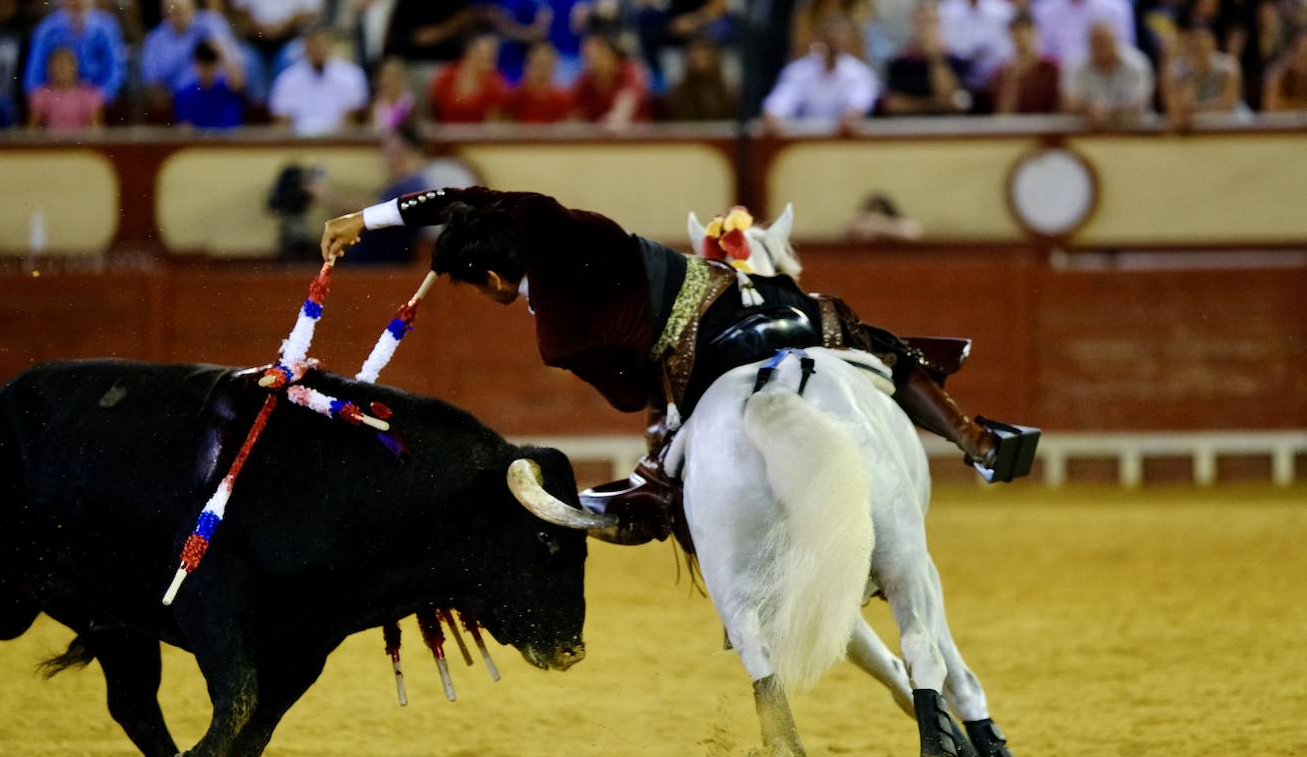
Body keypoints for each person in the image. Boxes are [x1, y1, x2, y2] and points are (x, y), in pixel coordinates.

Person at [317, 188, 1040, 542]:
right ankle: (977, 438)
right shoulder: (532, 212)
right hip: (736, 291)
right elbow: (453, 198)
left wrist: (663, 422)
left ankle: (667, 510)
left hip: (700, 357)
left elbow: (631, 390)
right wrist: (365, 219)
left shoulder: (557, 336)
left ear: (496, 280)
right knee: (854, 335)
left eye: (481, 289)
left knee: (670, 469)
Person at [23, 0, 127, 103]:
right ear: (62, 2)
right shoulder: (47, 29)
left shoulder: (107, 27)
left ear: (90, 1)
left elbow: (116, 69)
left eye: (80, 0)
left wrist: (99, 98)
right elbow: (34, 73)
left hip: (97, 99)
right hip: (55, 99)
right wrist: (41, 99)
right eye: (71, 0)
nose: (76, 5)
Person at [761, 15, 879, 127]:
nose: (834, 38)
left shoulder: (861, 74)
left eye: (840, 34)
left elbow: (857, 105)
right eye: (830, 33)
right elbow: (779, 103)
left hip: (841, 139)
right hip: (805, 138)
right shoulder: (798, 71)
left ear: (850, 40)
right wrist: (773, 115)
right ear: (820, 37)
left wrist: (851, 116)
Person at [140, 0, 238, 110]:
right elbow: (151, 84)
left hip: (217, 102)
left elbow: (237, 78)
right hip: (177, 107)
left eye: (178, 9)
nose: (172, 15)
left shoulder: (213, 25)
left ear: (192, 6)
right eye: (168, 9)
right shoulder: (155, 39)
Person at [345, 125, 433, 265]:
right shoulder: (399, 185)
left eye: (391, 150)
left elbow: (373, 212)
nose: (385, 157)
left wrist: (329, 197)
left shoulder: (412, 187)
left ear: (403, 152)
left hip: (381, 266)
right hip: (368, 262)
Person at [938, 0, 1017, 92]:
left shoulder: (1005, 12)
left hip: (994, 82)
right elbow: (944, 49)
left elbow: (1008, 51)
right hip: (956, 79)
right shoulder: (945, 10)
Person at [268, 26, 369, 135]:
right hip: (298, 141)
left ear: (330, 45)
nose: (318, 49)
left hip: (339, 140)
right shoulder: (286, 79)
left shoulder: (351, 76)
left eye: (322, 44)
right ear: (305, 46)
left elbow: (352, 121)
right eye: (313, 44)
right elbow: (282, 123)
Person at [880, 1, 973, 115]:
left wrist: (935, 57)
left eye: (930, 21)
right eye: (921, 22)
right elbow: (894, 104)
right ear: (913, 24)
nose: (926, 28)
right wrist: (936, 104)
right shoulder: (899, 63)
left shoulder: (957, 61)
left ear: (939, 24)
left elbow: (954, 99)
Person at [1062, 20, 1154, 129]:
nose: (1101, 48)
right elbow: (1069, 102)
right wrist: (1090, 108)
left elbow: (1141, 102)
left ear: (1116, 42)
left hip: (1132, 128)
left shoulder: (1137, 63)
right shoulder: (1075, 64)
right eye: (1096, 44)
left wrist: (1109, 111)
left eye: (1105, 43)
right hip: (1086, 128)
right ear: (1089, 44)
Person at [1160, 22, 1242, 127]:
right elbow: (1175, 109)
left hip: (1225, 122)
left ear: (1213, 44)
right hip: (1192, 124)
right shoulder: (1175, 71)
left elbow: (1229, 105)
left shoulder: (1228, 67)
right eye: (1196, 46)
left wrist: (1193, 108)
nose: (1200, 47)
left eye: (1203, 44)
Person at [570, 30, 651, 127]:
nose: (588, 58)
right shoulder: (585, 79)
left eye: (594, 53)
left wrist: (616, 118)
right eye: (585, 55)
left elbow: (623, 112)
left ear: (609, 53)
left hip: (633, 134)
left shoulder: (630, 71)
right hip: (598, 134)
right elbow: (576, 117)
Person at [989, 11, 1062, 113]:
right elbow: (1002, 114)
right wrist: (1012, 83)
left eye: (1026, 31)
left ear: (1036, 33)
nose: (1021, 37)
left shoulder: (1051, 68)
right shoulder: (1002, 73)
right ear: (1010, 36)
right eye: (1016, 32)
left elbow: (1060, 106)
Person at [429, 32, 510, 123]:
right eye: (482, 54)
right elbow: (433, 114)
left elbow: (493, 124)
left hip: (478, 132)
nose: (488, 58)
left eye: (492, 55)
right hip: (443, 130)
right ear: (469, 52)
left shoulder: (495, 84)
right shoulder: (446, 76)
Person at [27, 46, 105, 131]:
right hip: (49, 139)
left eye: (66, 64)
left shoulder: (89, 94)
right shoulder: (41, 94)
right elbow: (32, 129)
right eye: (56, 65)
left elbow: (95, 130)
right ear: (49, 68)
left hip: (81, 139)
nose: (61, 68)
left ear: (75, 66)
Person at [660, 35, 737, 121]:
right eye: (692, 51)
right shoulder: (675, 95)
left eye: (702, 51)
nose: (696, 56)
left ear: (715, 56)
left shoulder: (730, 93)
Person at [174, 40, 247, 129]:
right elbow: (185, 128)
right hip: (200, 138)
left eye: (210, 66)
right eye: (203, 66)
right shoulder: (185, 95)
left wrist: (221, 53)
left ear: (216, 65)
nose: (206, 71)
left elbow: (239, 83)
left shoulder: (228, 88)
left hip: (231, 137)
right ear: (195, 65)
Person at [505, 41, 575, 122]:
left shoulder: (564, 99)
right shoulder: (515, 98)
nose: (542, 71)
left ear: (554, 67)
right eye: (538, 65)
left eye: (546, 65)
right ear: (527, 66)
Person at [1262, 28, 1307, 111]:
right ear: (1292, 55)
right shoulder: (1278, 75)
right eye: (1303, 57)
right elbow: (1271, 108)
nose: (1305, 64)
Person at [371, 57, 416, 133]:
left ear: (401, 78)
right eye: (385, 75)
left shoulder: (409, 103)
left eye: (393, 76)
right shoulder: (376, 101)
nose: (389, 79)